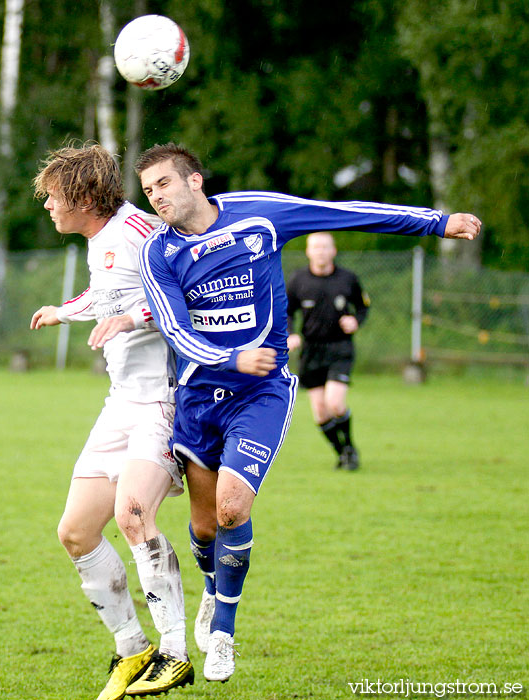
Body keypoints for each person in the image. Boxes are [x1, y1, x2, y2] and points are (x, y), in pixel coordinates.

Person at [133, 142, 481, 682]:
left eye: (164, 184)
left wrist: (436, 224)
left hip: (263, 392)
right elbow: (176, 330)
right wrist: (229, 356)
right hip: (200, 396)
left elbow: (344, 213)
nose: (156, 197)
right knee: (202, 527)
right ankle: (211, 587)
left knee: (231, 508)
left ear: (195, 181)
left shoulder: (260, 214)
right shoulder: (159, 253)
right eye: (149, 189)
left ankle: (223, 633)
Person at [29, 144, 193, 700]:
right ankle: (132, 648)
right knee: (75, 531)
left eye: (54, 197)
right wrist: (64, 311)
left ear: (82, 197)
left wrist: (132, 318)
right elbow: (107, 294)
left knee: (133, 514)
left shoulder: (141, 231)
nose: (48, 206)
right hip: (120, 402)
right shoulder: (101, 240)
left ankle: (175, 652)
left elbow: (183, 291)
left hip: (163, 402)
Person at [286, 232, 369, 470]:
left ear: (333, 251)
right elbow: (287, 311)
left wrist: (355, 321)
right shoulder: (298, 280)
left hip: (340, 348)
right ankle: (343, 453)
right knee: (321, 413)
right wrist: (292, 333)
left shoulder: (348, 279)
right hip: (311, 350)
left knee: (335, 404)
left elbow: (363, 308)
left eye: (325, 247)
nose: (321, 251)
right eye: (316, 247)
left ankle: (350, 448)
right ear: (308, 251)